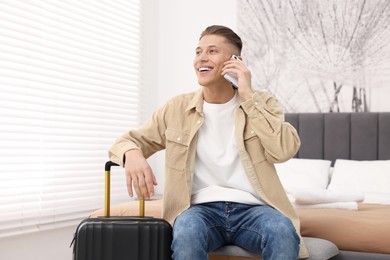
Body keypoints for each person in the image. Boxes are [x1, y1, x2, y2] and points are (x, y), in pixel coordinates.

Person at [108, 25, 309, 260]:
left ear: (235, 61)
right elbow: (127, 141)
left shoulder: (262, 103)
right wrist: (132, 154)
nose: (201, 58)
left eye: (212, 51)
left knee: (281, 230)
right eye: (198, 52)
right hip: (199, 211)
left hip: (254, 210)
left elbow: (283, 150)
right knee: (187, 230)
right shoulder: (176, 108)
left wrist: (248, 95)